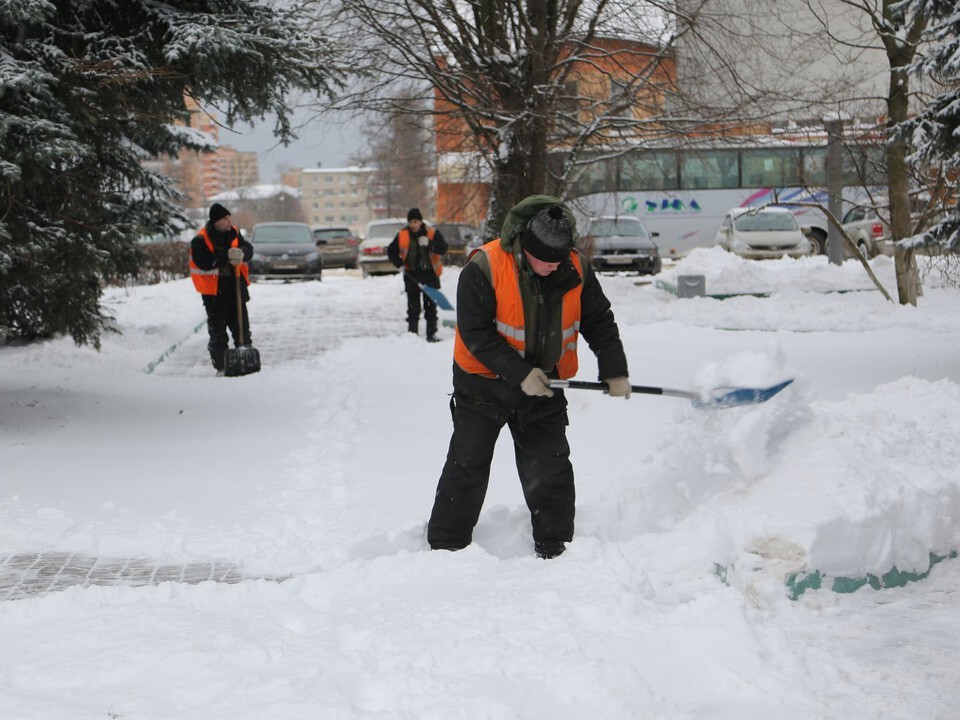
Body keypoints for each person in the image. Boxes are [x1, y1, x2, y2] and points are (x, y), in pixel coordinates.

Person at [427, 195, 632, 559]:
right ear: (526, 247)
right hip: (482, 385)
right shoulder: (486, 266)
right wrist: (520, 373)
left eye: (560, 258)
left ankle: (557, 547)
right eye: (547, 260)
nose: (555, 266)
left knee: (549, 464)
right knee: (468, 464)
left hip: (545, 384)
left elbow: (600, 320)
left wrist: (614, 369)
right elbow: (477, 335)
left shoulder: (575, 268)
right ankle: (446, 547)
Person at [189, 203, 254, 373]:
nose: (229, 221)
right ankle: (221, 365)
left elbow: (249, 249)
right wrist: (225, 256)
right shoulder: (201, 240)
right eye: (225, 218)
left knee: (241, 326)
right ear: (216, 221)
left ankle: (245, 357)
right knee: (218, 331)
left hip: (236, 288)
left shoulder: (234, 233)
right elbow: (203, 261)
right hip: (214, 293)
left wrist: (242, 252)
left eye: (229, 218)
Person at [387, 208, 448, 342]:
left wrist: (429, 244)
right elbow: (391, 251)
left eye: (416, 221)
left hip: (430, 276)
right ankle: (412, 334)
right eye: (411, 222)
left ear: (420, 221)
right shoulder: (402, 235)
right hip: (411, 276)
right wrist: (400, 265)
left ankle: (431, 334)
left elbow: (443, 248)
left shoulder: (432, 233)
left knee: (430, 307)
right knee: (413, 308)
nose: (413, 224)